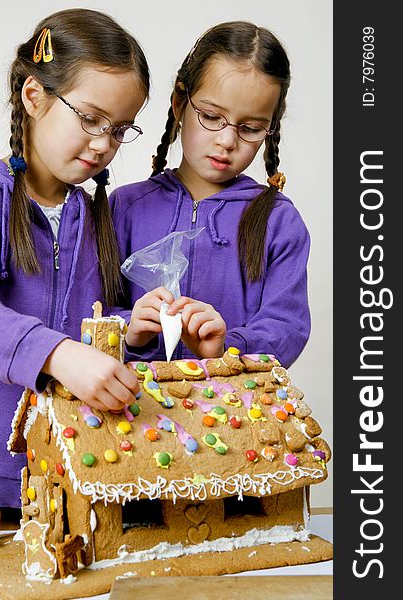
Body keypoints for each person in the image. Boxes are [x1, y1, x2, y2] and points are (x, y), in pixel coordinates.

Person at [0, 8, 147, 522]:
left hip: (63, 477)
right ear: (34, 96)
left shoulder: (101, 219)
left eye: (119, 130)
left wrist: (129, 330)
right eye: (91, 119)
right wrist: (54, 354)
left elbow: (85, 325)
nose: (103, 144)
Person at [110, 21, 310, 368]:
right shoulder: (124, 207)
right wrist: (129, 330)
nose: (227, 141)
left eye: (250, 128)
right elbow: (90, 307)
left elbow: (287, 327)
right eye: (212, 116)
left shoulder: (279, 221)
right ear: (179, 104)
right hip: (132, 412)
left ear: (270, 128)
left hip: (232, 414)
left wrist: (226, 347)